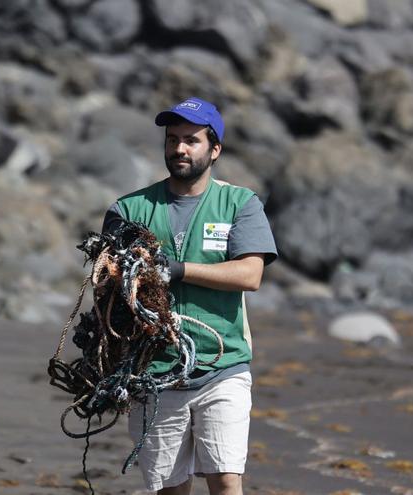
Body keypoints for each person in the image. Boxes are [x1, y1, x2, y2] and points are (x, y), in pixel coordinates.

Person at [102, 97, 277, 495]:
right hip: (153, 372)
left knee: (226, 479)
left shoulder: (240, 205)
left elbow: (251, 274)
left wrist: (178, 271)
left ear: (214, 149)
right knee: (170, 488)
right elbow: (107, 282)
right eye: (173, 139)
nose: (180, 148)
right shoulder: (130, 209)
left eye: (192, 140)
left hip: (224, 366)